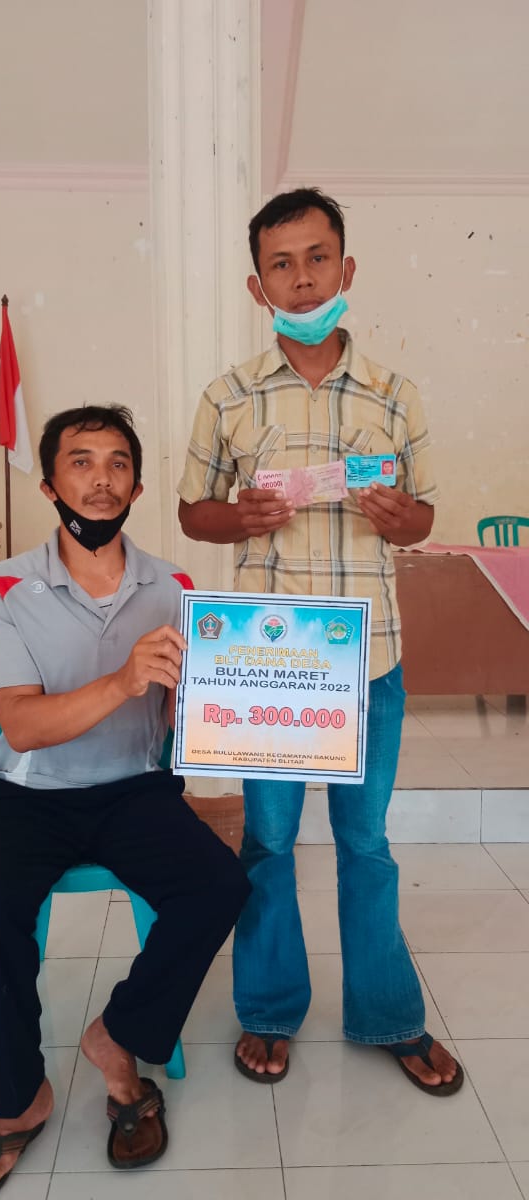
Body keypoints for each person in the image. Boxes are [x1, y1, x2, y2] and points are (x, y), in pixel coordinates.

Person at [178, 188, 463, 1096]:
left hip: (369, 659)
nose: (301, 278)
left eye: (316, 257)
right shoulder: (228, 397)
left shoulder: (395, 394)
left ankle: (388, 1014)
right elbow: (192, 513)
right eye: (280, 263)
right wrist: (239, 515)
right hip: (268, 662)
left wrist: (399, 517)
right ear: (257, 287)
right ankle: (269, 1008)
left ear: (346, 269)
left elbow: (423, 519)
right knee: (267, 844)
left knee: (365, 844)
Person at [0, 404, 250, 1200]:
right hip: (28, 795)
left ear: (138, 487)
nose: (101, 478)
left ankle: (118, 1037)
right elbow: (21, 724)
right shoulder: (4, 585)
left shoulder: (176, 588)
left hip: (133, 790)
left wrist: (230, 709)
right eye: (80, 462)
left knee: (221, 884)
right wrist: (123, 679)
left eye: (118, 463)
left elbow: (184, 720)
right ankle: (21, 1097)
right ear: (50, 484)